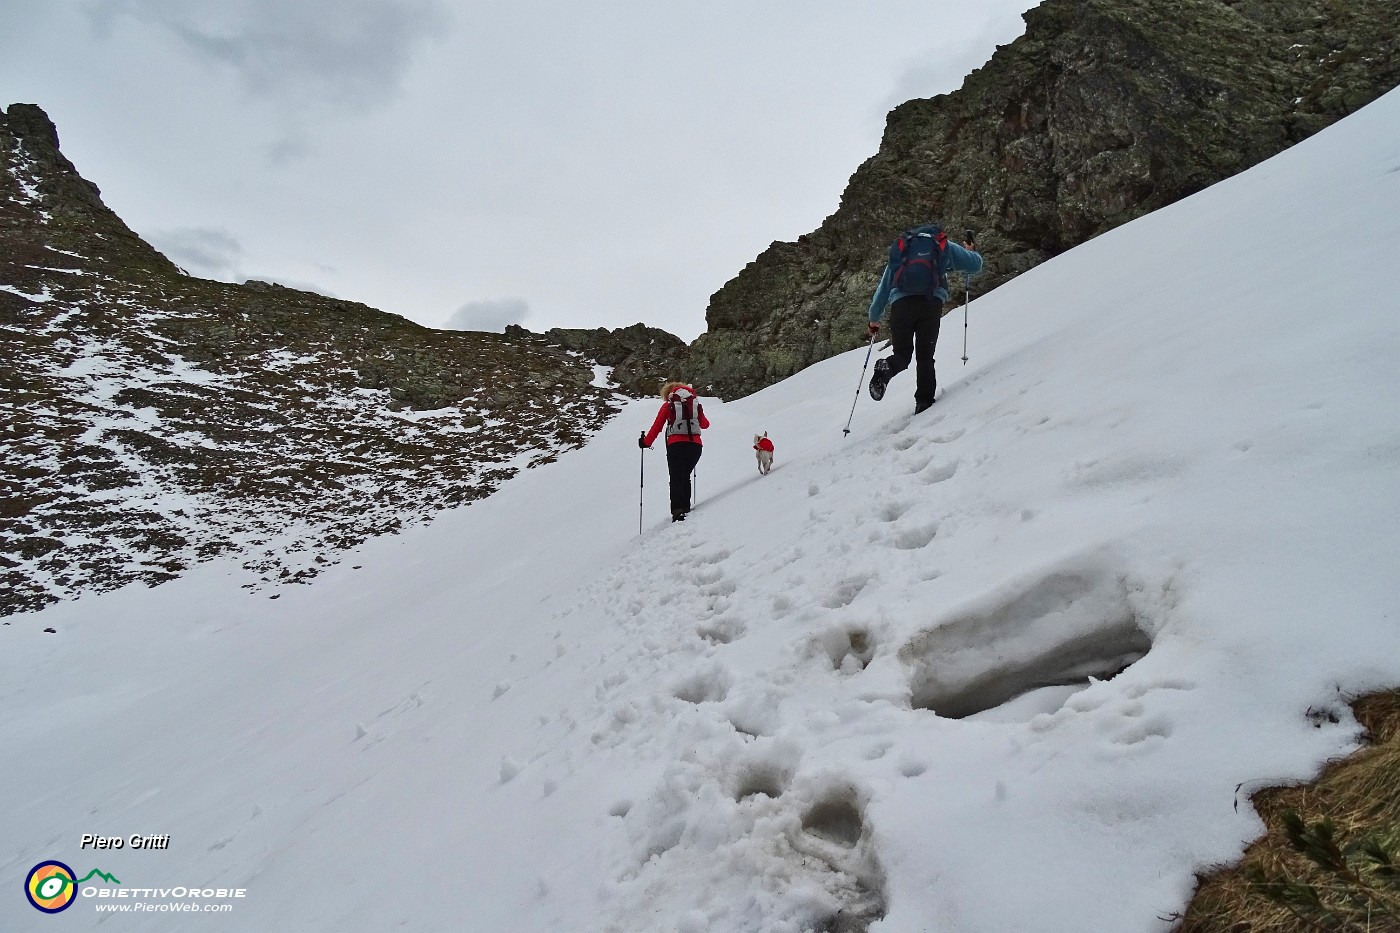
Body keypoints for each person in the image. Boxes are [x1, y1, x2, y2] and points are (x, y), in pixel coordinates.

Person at [866, 225, 983, 413]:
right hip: (930, 304)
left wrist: (874, 319)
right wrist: (971, 252)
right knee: (925, 357)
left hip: (901, 306)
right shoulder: (942, 245)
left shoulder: (903, 249)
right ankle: (924, 401)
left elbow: (884, 288)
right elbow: (975, 266)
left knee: (902, 355)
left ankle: (887, 367)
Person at [639, 381, 710, 522]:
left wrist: (645, 443)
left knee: (676, 477)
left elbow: (657, 427)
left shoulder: (668, 406)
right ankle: (685, 506)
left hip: (676, 445)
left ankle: (677, 511)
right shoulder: (694, 404)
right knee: (685, 476)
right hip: (695, 447)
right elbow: (705, 425)